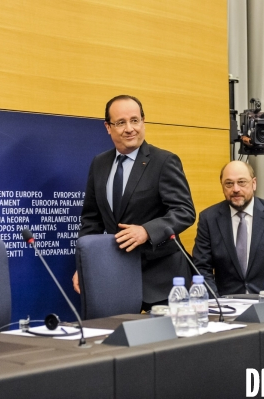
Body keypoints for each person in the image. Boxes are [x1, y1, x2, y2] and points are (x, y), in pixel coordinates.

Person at [74, 95, 196, 311]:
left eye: (135, 120)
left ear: (143, 121)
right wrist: (84, 266)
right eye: (121, 123)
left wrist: (147, 231)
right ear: (108, 127)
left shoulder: (164, 161)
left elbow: (184, 211)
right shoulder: (99, 164)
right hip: (118, 276)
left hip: (163, 280)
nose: (130, 128)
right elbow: (91, 221)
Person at [192, 161, 264, 296]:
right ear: (222, 186)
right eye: (229, 183)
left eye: (241, 182)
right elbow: (202, 268)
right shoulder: (209, 218)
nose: (235, 189)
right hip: (226, 306)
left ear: (254, 183)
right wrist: (216, 304)